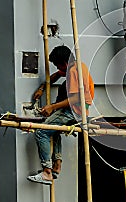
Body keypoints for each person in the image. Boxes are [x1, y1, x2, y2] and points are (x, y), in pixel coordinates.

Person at [27, 45, 94, 185]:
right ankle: (57, 166)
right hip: (76, 111)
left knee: (41, 132)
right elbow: (56, 75)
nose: (58, 69)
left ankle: (47, 172)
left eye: (58, 65)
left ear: (64, 62)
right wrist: (42, 88)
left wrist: (52, 106)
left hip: (74, 112)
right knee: (53, 130)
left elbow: (76, 98)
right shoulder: (74, 67)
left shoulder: (76, 70)